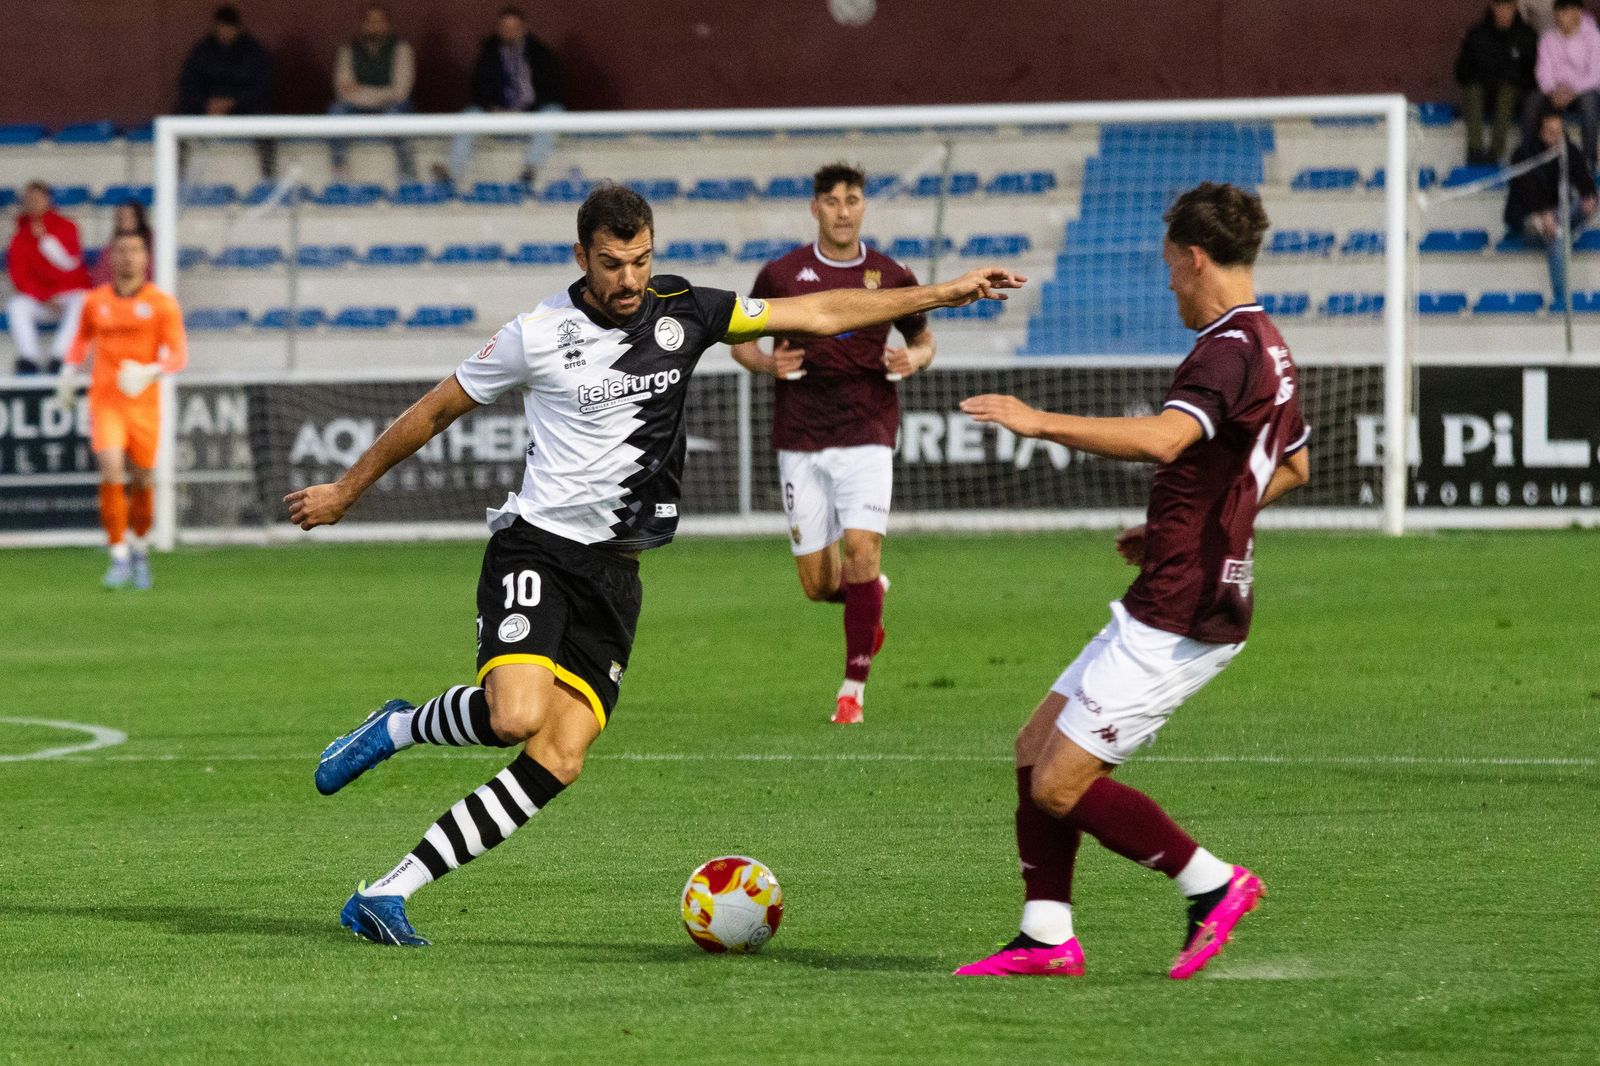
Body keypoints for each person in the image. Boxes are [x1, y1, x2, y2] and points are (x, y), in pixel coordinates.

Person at [285, 183, 1023, 947]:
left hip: (617, 572)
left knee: (559, 758)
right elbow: (435, 409)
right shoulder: (536, 335)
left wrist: (943, 292)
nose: (630, 280)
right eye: (612, 264)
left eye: (641, 260)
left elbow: (821, 313)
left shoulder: (690, 311)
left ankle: (387, 892)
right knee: (514, 716)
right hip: (536, 545)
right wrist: (346, 489)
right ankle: (401, 726)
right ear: (582, 257)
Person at [951, 182, 1311, 981]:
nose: (1170, 285)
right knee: (1033, 747)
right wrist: (1180, 524)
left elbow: (1161, 440)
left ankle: (1210, 883)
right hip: (1179, 580)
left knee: (1057, 784)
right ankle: (1046, 937)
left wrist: (1036, 420)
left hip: (1186, 605)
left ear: (1194, 257)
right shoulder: (1271, 345)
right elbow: (1293, 466)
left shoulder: (1226, 349)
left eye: (1171, 269)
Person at [728, 163, 935, 725]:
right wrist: (769, 363)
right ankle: (869, 600)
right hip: (800, 435)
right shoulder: (782, 275)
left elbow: (924, 342)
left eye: (853, 199)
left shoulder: (892, 276)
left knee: (861, 552)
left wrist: (909, 359)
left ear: (864, 207)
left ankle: (852, 692)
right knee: (819, 586)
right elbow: (739, 344)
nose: (843, 210)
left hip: (868, 429)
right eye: (833, 201)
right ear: (815, 209)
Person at [51, 231, 187, 590]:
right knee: (111, 470)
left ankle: (140, 548)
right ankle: (119, 556)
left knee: (142, 479)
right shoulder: (95, 301)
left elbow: (178, 355)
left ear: (146, 258)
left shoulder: (162, 304)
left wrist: (150, 370)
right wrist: (67, 372)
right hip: (106, 401)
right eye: (121, 250)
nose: (128, 257)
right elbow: (81, 339)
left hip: (144, 405)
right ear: (111, 258)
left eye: (135, 250)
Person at [436, 5, 563, 187]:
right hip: (496, 115)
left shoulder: (540, 53)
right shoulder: (488, 54)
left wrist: (527, 110)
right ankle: (451, 177)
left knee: (554, 112)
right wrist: (493, 109)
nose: (509, 32)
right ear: (498, 29)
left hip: (530, 115)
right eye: (505, 27)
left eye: (514, 27)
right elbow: (478, 88)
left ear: (524, 28)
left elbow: (551, 89)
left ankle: (529, 173)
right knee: (470, 115)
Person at [1506, 107, 1597, 309]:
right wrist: (1544, 214)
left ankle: (1558, 225)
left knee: (1567, 214)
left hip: (1561, 213)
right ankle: (1561, 298)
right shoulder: (1523, 154)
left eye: (1559, 131)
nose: (1556, 137)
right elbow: (1527, 193)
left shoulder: (1569, 150)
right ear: (1540, 131)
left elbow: (1584, 179)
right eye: (1550, 132)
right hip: (1530, 217)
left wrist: (1589, 197)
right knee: (1556, 234)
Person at [177, 5, 276, 179]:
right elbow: (188, 83)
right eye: (221, 28)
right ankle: (176, 178)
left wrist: (233, 103)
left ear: (238, 28)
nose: (225, 32)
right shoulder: (202, 51)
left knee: (266, 124)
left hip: (243, 109)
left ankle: (268, 179)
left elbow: (262, 87)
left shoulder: (253, 52)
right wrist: (206, 104)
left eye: (228, 28)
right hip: (207, 109)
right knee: (176, 120)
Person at [7, 182, 92, 376]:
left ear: (48, 199)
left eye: (38, 198)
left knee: (84, 300)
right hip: (40, 299)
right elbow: (18, 276)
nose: (34, 203)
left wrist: (45, 240)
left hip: (66, 296)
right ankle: (29, 358)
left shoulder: (67, 227)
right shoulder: (19, 237)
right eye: (29, 200)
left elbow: (71, 264)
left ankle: (59, 356)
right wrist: (44, 295)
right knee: (16, 305)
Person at [328, 3, 417, 181]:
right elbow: (343, 89)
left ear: (388, 25)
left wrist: (361, 92)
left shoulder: (402, 49)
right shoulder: (348, 50)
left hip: (391, 108)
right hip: (356, 108)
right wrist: (383, 93)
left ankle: (407, 177)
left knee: (399, 114)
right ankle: (340, 176)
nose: (375, 26)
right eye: (370, 21)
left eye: (380, 22)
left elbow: (401, 92)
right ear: (363, 24)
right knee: (336, 111)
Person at [1457, 0, 1540, 164]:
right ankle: (1475, 150)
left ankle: (1495, 152)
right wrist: (1480, 79)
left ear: (1515, 8)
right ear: (1493, 8)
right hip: (1484, 94)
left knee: (1507, 92)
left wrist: (1513, 80)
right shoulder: (1477, 34)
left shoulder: (1526, 35)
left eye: (1508, 8)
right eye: (1500, 7)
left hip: (1515, 96)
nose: (1504, 12)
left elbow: (1533, 75)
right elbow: (1462, 71)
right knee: (1472, 91)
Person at [1525, 0, 1600, 166]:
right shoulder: (1548, 38)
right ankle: (1529, 157)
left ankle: (1588, 160)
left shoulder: (1594, 37)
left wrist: (1572, 90)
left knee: (1590, 104)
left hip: (1582, 91)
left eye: (1564, 12)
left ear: (1577, 13)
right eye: (1557, 13)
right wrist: (1553, 91)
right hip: (1555, 92)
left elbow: (1596, 75)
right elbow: (1542, 71)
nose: (1559, 17)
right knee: (1532, 100)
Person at [90, 202, 153, 288]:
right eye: (122, 217)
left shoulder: (152, 242)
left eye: (130, 217)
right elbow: (102, 273)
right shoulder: (113, 242)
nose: (126, 221)